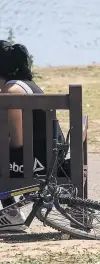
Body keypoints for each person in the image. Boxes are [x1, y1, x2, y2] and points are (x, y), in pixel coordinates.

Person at [0, 40, 45, 232]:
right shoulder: (26, 85)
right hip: (46, 157)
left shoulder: (12, 92)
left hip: (33, 163)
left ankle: (12, 214)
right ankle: (11, 213)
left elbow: (17, 142)